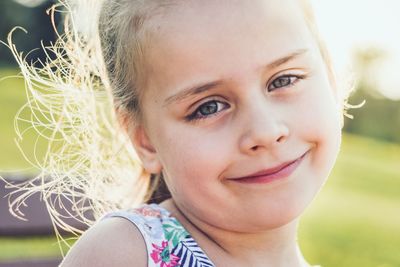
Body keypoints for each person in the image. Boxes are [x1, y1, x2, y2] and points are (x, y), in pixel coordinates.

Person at [7, 0, 352, 266]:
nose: (265, 131)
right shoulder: (127, 253)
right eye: (208, 107)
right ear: (145, 139)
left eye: (284, 80)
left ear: (332, 79)